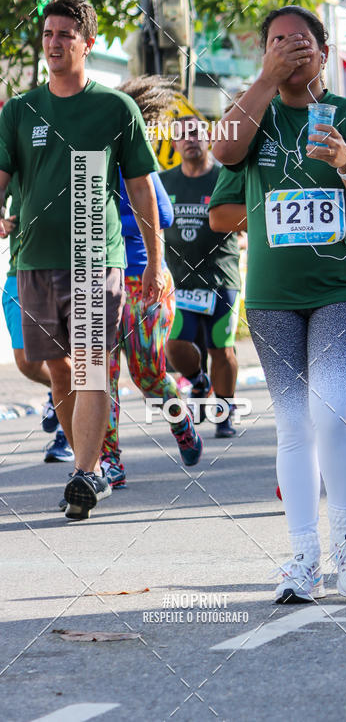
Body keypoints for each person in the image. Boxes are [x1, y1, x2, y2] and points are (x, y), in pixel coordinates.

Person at [212, 5, 346, 602]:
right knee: (293, 426)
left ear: (322, 51)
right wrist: (263, 82)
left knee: (334, 411)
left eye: (300, 40)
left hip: (342, 288)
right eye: (276, 41)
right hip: (271, 296)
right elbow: (222, 155)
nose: (289, 48)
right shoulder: (253, 113)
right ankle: (301, 556)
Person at [0, 0, 164, 520]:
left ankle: (86, 473)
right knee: (53, 367)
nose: (55, 42)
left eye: (67, 34)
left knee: (93, 367)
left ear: (88, 43)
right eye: (48, 33)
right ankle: (86, 463)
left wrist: (155, 263)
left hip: (97, 257)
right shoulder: (18, 110)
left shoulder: (116, 108)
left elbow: (141, 192)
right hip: (33, 259)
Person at [101, 78, 203, 488]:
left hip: (144, 276)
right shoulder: (85, 163)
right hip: (98, 278)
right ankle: (109, 462)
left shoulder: (139, 162)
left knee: (146, 376)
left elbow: (164, 215)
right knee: (98, 376)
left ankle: (183, 426)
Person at [160, 117, 242, 439]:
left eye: (196, 133)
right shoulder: (164, 181)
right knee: (175, 345)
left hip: (221, 278)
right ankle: (198, 381)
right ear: (174, 143)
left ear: (208, 139)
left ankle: (224, 415)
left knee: (221, 348)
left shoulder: (227, 177)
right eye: (181, 135)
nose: (189, 139)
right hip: (178, 281)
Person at [0, 174, 71, 461]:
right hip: (21, 271)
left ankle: (68, 437)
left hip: (67, 268)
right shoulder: (12, 147)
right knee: (27, 363)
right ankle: (58, 395)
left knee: (66, 365)